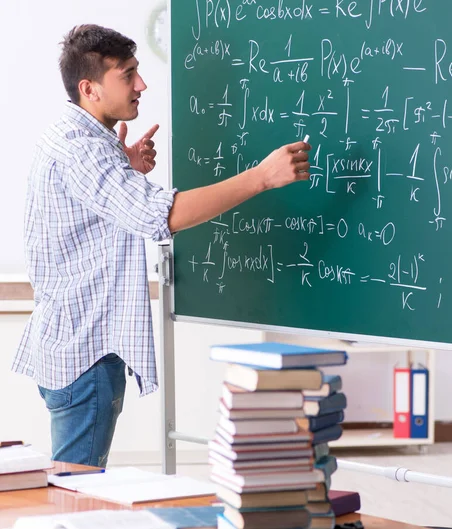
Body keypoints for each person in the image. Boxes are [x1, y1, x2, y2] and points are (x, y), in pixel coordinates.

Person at [12, 24, 310, 467]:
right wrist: (262, 177)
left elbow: (89, 203)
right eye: (127, 75)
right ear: (89, 88)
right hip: (87, 355)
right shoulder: (85, 151)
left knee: (74, 483)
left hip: (65, 343)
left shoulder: (72, 134)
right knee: (76, 489)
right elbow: (161, 216)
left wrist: (124, 167)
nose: (141, 84)